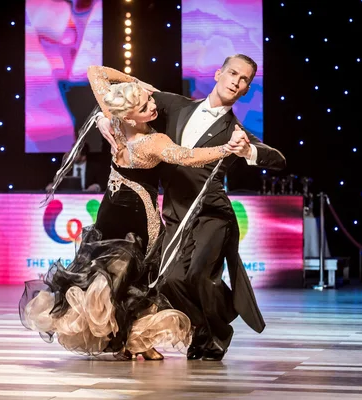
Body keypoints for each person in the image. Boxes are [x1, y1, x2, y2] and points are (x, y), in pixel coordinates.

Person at [19, 66, 240, 360]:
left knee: (127, 279)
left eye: (149, 102)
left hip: (118, 213)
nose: (153, 106)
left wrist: (136, 85)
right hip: (131, 218)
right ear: (128, 116)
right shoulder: (153, 142)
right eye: (144, 106)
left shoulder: (115, 119)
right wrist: (227, 148)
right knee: (124, 280)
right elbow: (188, 157)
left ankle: (134, 342)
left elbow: (96, 73)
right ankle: (131, 341)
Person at [96, 55, 287, 361]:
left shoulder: (235, 130)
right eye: (233, 74)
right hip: (175, 214)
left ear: (246, 89)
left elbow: (277, 158)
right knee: (170, 280)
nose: (236, 82)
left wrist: (248, 149)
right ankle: (209, 323)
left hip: (213, 214)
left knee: (198, 273)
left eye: (244, 80)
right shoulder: (175, 105)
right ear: (217, 73)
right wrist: (105, 117)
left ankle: (216, 336)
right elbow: (120, 96)